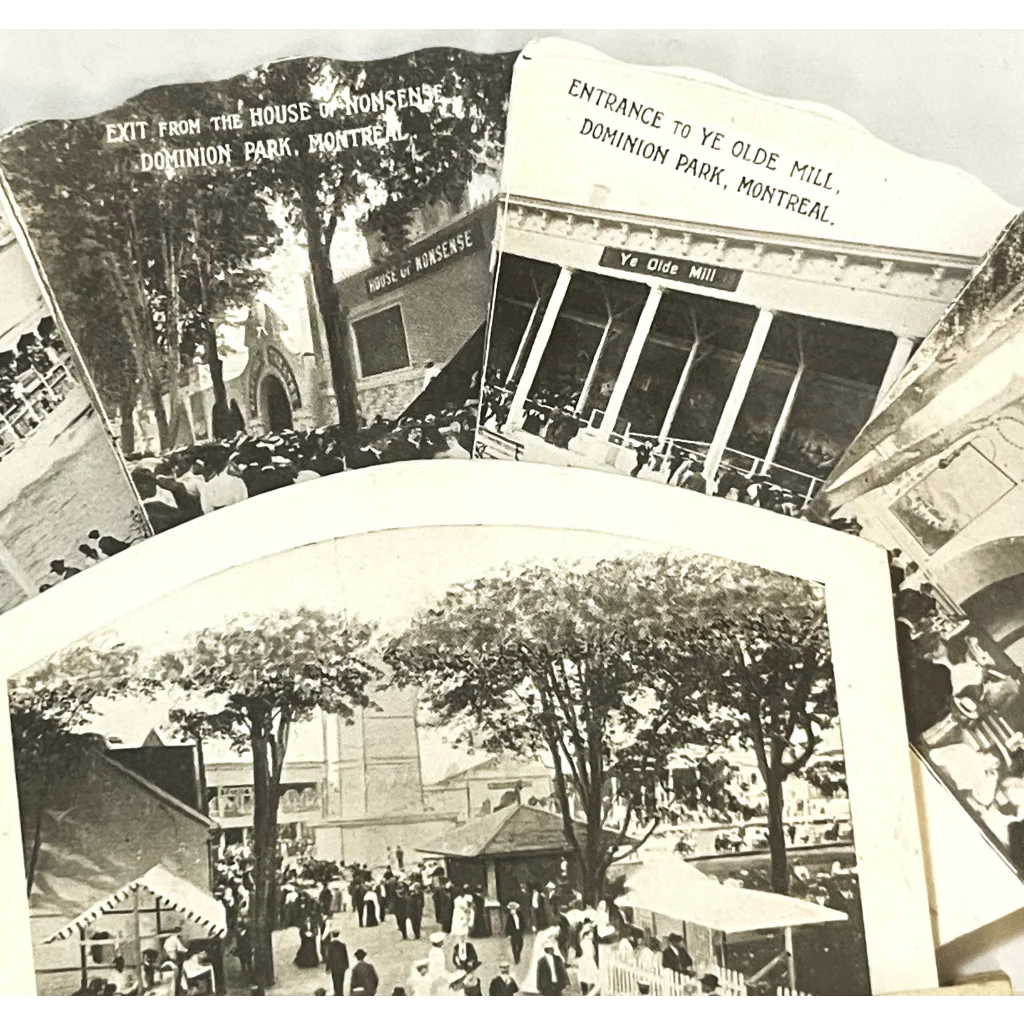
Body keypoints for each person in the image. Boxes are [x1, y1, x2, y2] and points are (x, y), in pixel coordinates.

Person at [324, 928, 349, 999]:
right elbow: (345, 955)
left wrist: (327, 968)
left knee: (335, 980)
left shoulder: (330, 946)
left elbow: (329, 958)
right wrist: (347, 965)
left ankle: (337, 993)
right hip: (342, 967)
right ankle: (340, 993)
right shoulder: (342, 945)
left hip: (334, 967)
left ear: (332, 935)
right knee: (341, 980)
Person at [505, 900, 525, 965]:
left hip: (519, 931)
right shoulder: (509, 917)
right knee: (514, 945)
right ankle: (516, 958)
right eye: (511, 907)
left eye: (514, 907)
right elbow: (507, 926)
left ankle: (518, 954)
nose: (513, 909)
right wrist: (508, 934)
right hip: (513, 932)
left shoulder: (519, 914)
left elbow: (523, 922)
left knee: (520, 944)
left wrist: (522, 930)